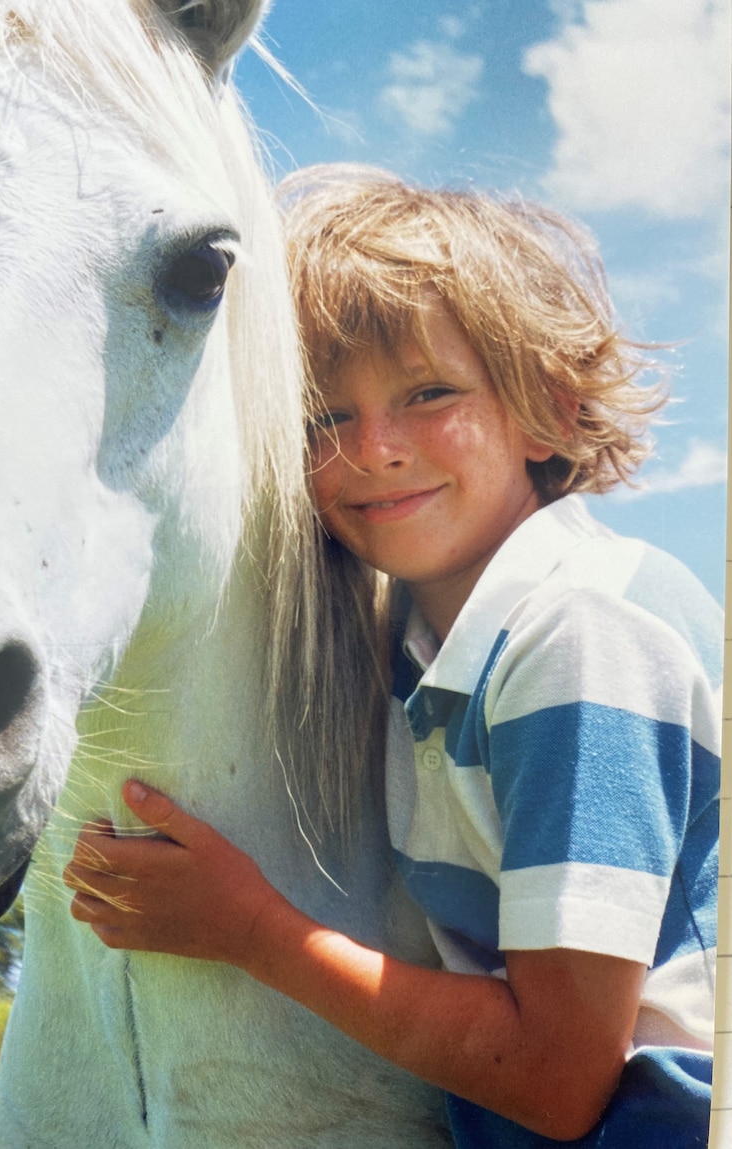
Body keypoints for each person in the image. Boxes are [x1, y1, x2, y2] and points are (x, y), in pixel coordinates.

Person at [63, 165, 720, 1147]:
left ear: (543, 405)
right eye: (324, 417)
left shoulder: (577, 635)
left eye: (427, 393)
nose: (372, 447)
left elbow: (560, 1078)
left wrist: (247, 928)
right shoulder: (435, 656)